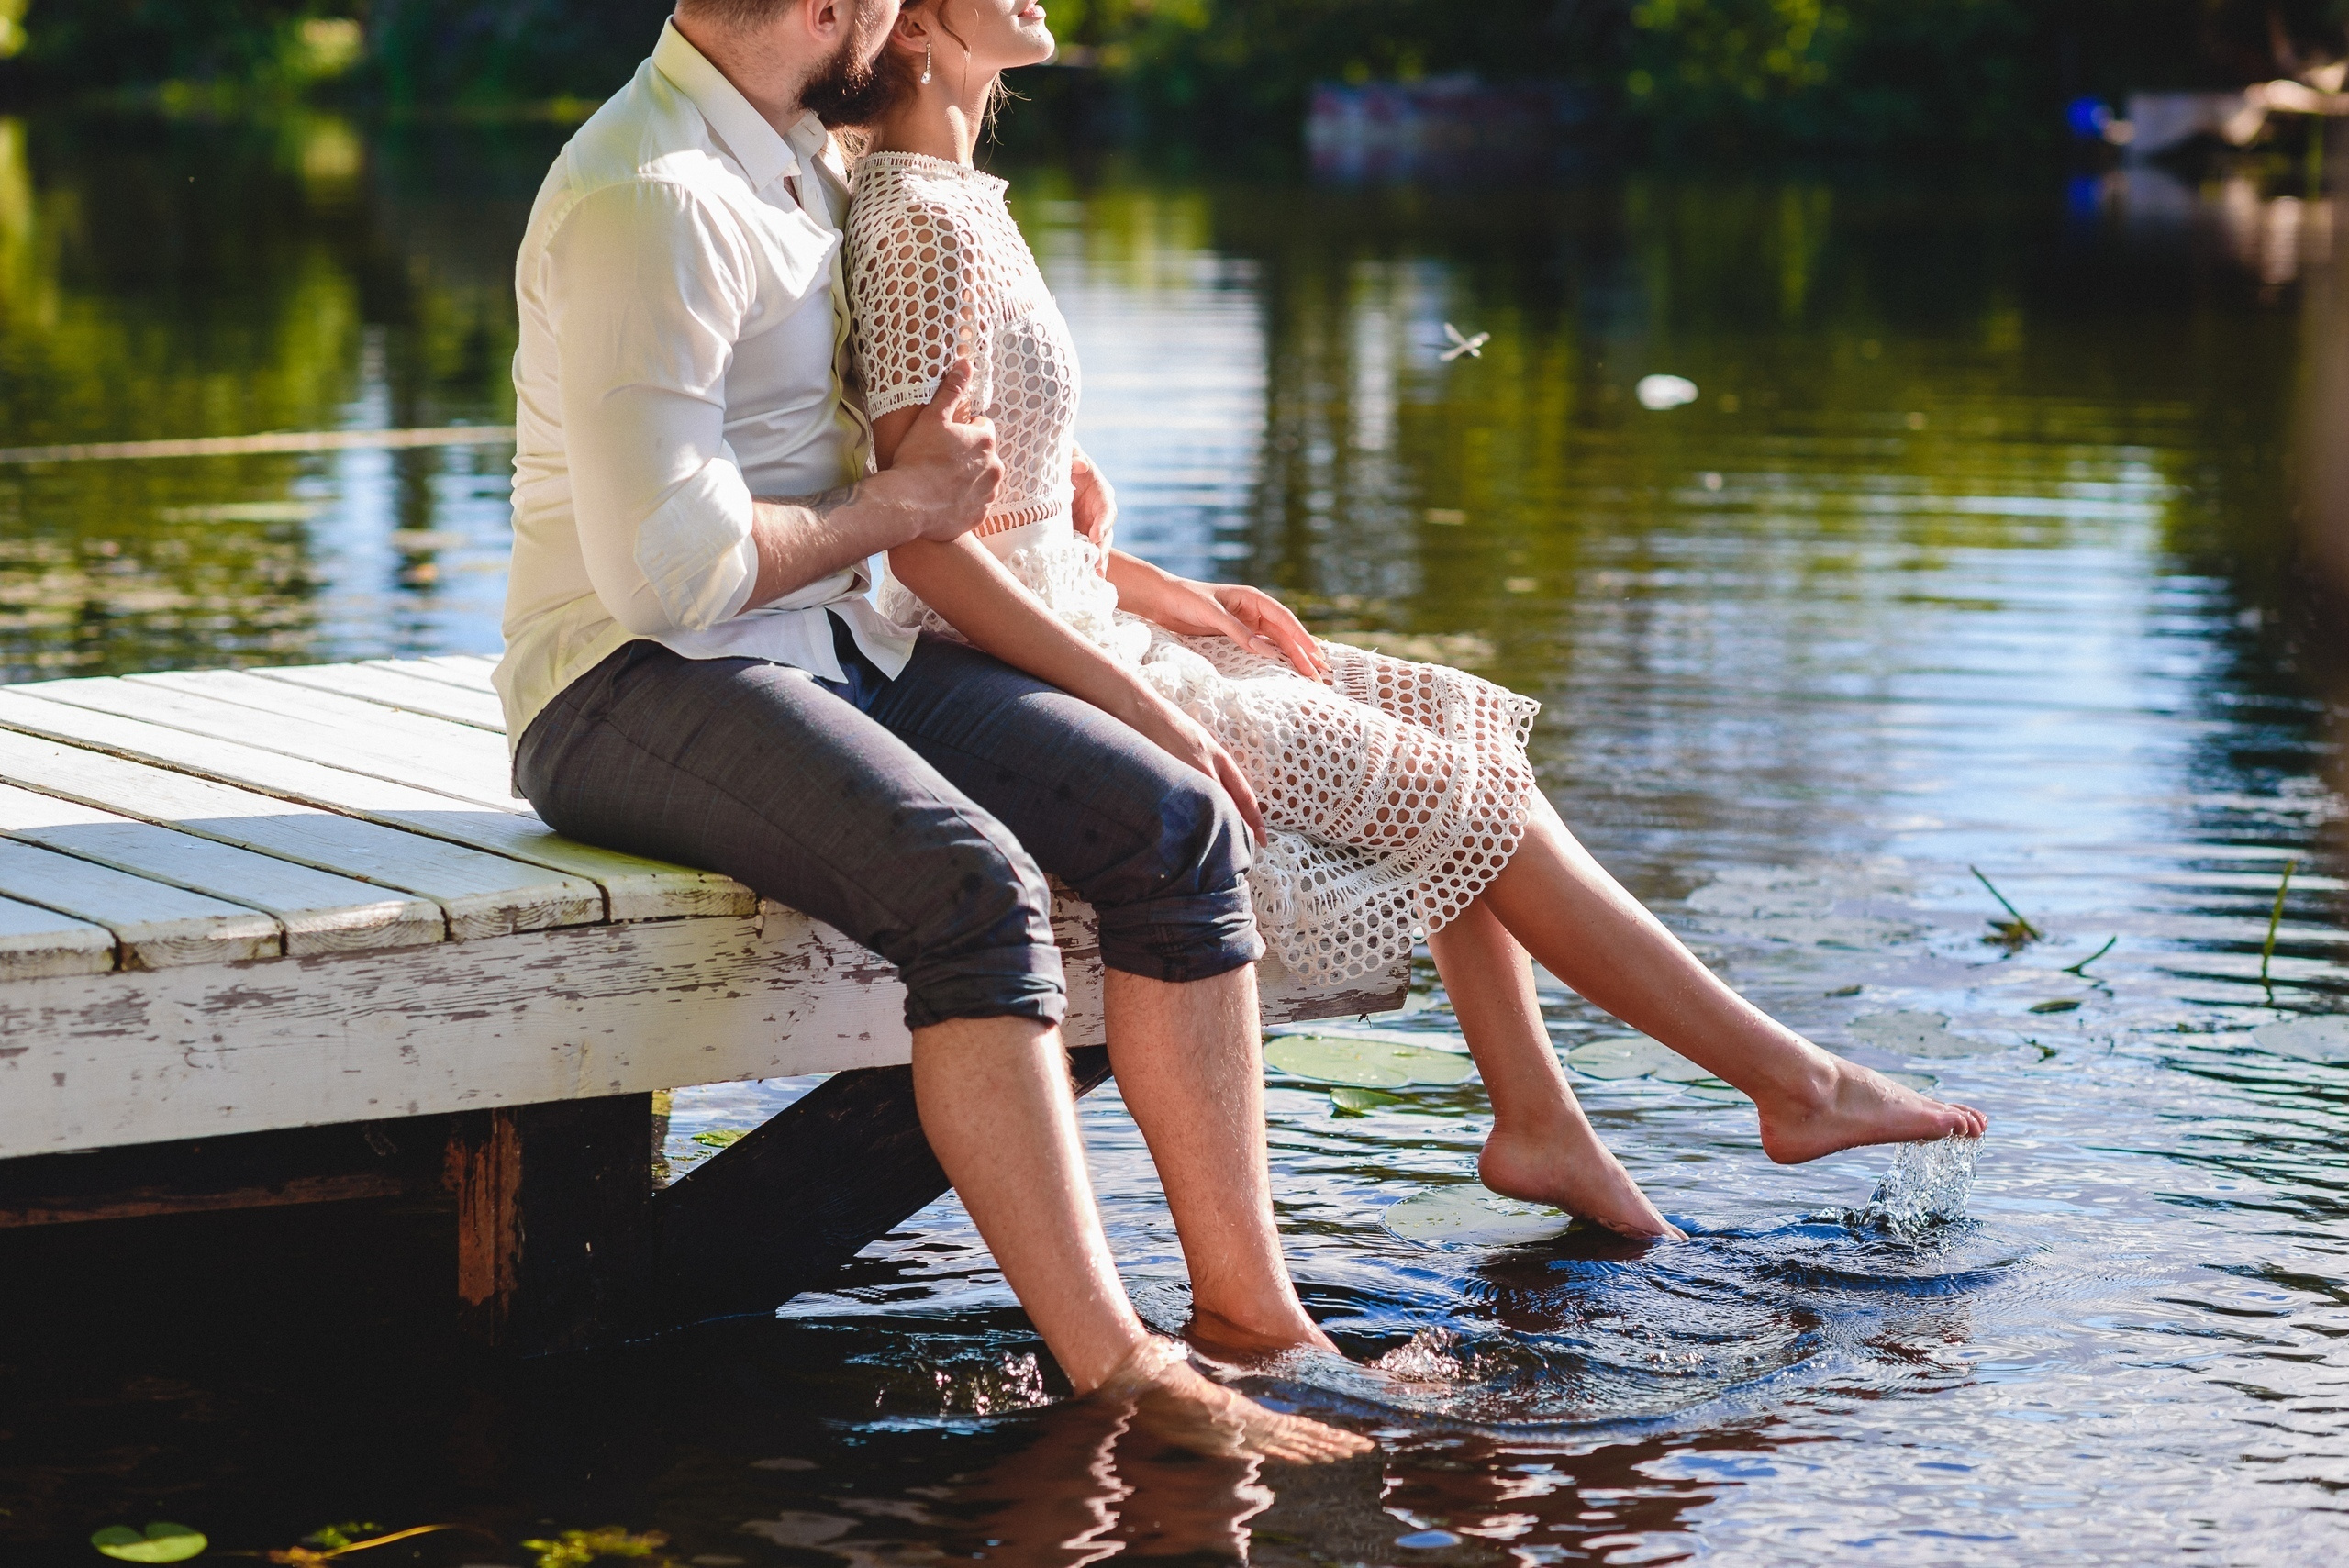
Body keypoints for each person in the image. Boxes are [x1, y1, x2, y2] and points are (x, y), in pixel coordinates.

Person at [837, 0, 1989, 1243]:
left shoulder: (968, 208)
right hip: (1027, 686)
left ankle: (1541, 1117)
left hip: (1088, 632)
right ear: (911, 32)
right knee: (1462, 799)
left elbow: (1002, 516)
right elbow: (925, 544)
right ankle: (1791, 1085)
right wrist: (1142, 694)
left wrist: (1173, 596)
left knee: (1452, 733)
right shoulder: (918, 228)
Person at [493, 0, 1372, 1462]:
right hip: (627, 679)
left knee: (1175, 820)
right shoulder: (648, 198)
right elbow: (667, 573)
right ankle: (1119, 1368)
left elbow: (903, 377)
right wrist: (894, 513)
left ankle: (1250, 1313)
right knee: (972, 885)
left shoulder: (801, 150)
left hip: (839, 638)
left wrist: (1043, 472)